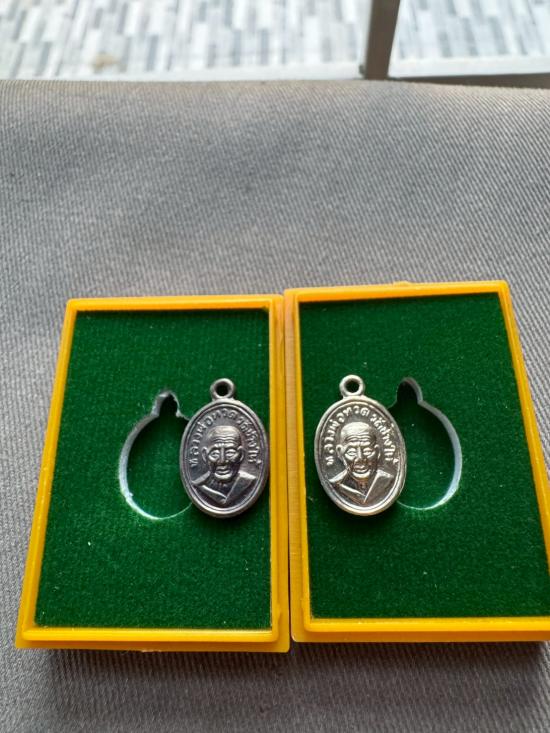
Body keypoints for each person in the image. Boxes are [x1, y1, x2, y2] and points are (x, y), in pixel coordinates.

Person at [329, 421, 394, 505]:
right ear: (340, 453)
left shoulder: (387, 480)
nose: (360, 459)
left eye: (367, 451)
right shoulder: (336, 483)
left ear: (377, 452)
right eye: (351, 452)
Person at [193, 424, 255, 506]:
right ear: (205, 456)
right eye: (215, 453)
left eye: (230, 452)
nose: (222, 461)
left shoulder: (248, 482)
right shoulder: (199, 484)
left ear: (241, 455)